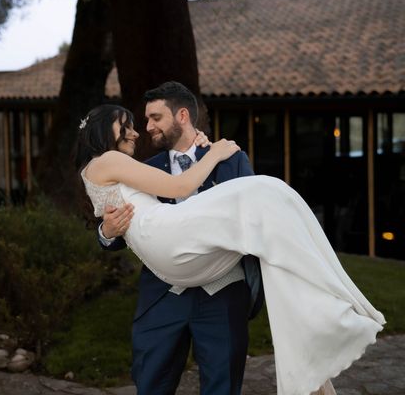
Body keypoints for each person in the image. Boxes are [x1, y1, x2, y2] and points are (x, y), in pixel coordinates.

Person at [75, 88, 384, 395]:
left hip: (221, 293)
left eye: (155, 118)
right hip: (165, 295)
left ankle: (324, 316)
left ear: (182, 116)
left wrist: (216, 154)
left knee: (222, 386)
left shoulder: (231, 159)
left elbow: (251, 222)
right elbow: (126, 220)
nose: (145, 129)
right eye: (138, 122)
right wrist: (106, 233)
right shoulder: (142, 165)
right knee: (152, 383)